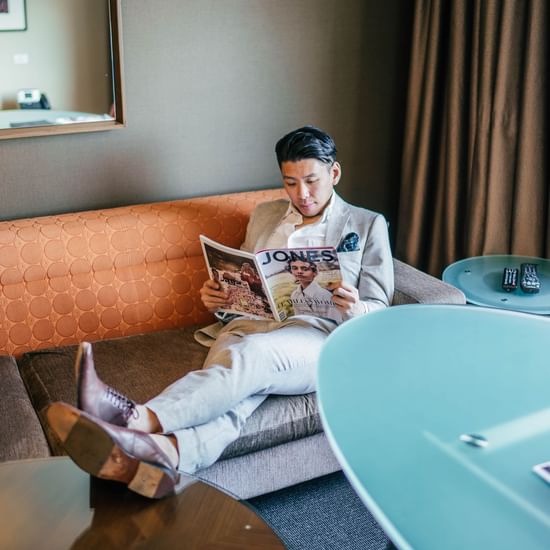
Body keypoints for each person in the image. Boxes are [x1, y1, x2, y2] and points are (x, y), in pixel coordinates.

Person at [46, 126, 394, 499]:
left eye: (311, 181)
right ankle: (166, 454)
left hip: (319, 336)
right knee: (235, 396)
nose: (302, 194)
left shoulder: (367, 224)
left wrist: (355, 306)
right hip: (250, 324)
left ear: (334, 173)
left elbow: (379, 308)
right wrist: (220, 299)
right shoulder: (264, 215)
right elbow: (245, 280)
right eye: (290, 183)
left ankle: (137, 419)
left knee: (251, 357)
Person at [288, 258, 343, 323]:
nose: (299, 271)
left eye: (305, 269)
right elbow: (298, 319)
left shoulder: (326, 295)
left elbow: (334, 323)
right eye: (294, 268)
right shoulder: (294, 295)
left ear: (315, 273)